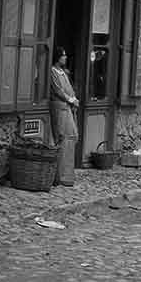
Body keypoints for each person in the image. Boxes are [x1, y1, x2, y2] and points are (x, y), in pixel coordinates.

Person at [49, 47, 79, 186]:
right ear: (58, 57)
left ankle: (67, 174)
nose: (65, 58)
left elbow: (68, 89)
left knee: (71, 137)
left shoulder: (63, 72)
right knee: (62, 137)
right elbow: (58, 90)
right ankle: (59, 175)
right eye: (63, 56)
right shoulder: (53, 72)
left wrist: (74, 99)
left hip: (67, 107)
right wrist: (71, 100)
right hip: (60, 107)